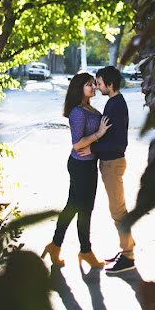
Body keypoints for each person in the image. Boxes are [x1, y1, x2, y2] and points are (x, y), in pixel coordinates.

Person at [42, 73, 111, 269]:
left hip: (89, 165)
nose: (93, 87)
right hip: (80, 166)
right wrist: (99, 134)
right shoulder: (78, 113)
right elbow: (77, 144)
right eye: (89, 85)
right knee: (75, 207)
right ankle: (76, 249)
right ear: (79, 88)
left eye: (93, 84)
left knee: (85, 208)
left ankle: (74, 249)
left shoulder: (89, 107)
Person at [78, 66, 135, 274]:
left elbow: (118, 142)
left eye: (100, 83)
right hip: (110, 163)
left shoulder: (116, 105)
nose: (97, 86)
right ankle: (127, 249)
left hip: (113, 164)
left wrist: (92, 147)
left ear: (110, 85)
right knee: (118, 210)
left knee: (118, 211)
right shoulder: (114, 103)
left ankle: (128, 255)